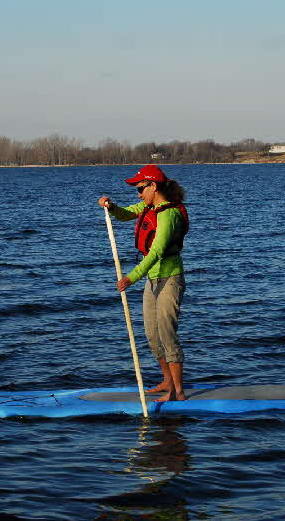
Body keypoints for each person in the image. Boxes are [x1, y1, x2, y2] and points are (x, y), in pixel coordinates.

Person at [98, 165, 189, 402]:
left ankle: (177, 391)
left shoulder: (169, 214)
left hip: (170, 278)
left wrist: (130, 278)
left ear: (153, 186)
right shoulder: (149, 207)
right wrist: (112, 207)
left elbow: (157, 252)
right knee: (152, 334)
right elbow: (127, 214)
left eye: (140, 189)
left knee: (167, 334)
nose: (138, 194)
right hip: (152, 278)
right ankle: (167, 380)